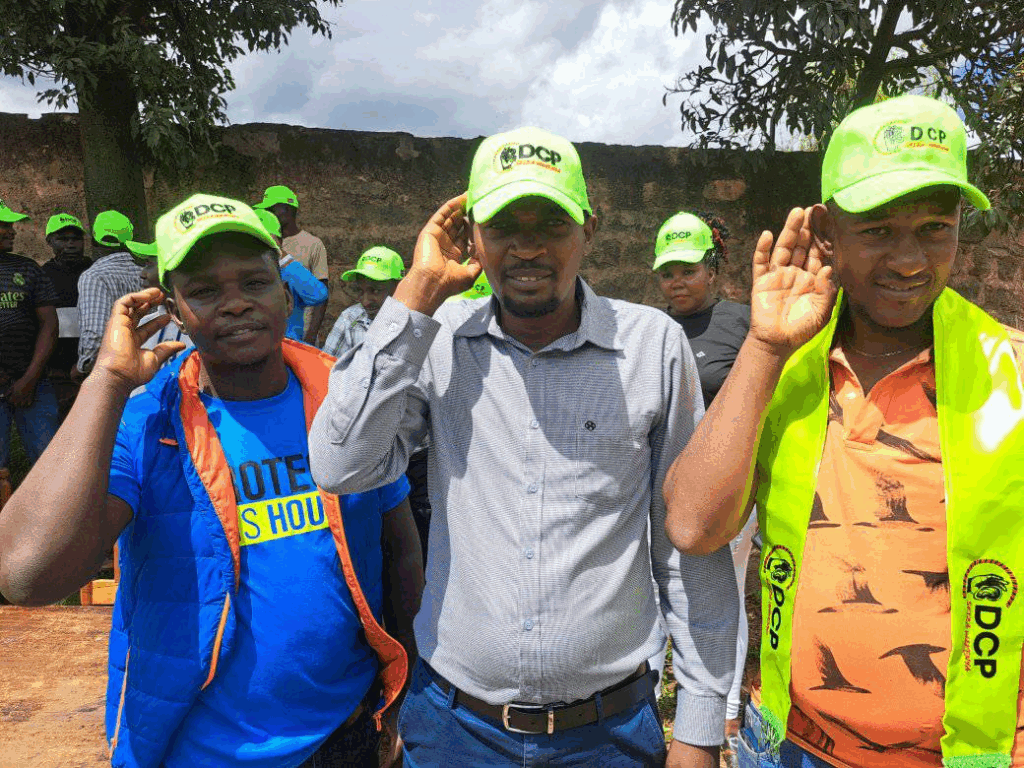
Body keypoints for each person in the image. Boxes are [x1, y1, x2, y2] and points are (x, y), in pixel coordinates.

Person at [308, 127, 737, 768]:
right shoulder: (438, 338)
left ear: (589, 232)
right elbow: (340, 465)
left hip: (609, 734)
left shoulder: (652, 348)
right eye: (505, 225)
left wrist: (700, 728)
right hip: (457, 729)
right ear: (472, 236)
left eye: (552, 225)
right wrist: (418, 293)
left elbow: (686, 549)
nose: (528, 247)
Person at [0, 194, 424, 768]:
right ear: (171, 307)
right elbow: (26, 575)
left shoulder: (343, 403)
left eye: (254, 282)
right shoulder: (148, 421)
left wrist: (407, 698)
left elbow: (400, 547)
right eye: (203, 291)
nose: (235, 305)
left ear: (285, 288)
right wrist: (109, 379)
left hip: (344, 734)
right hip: (200, 751)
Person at [664, 94, 1024, 768]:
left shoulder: (1012, 373)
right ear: (827, 232)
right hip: (795, 747)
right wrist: (766, 349)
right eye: (880, 229)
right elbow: (692, 525)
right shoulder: (784, 371)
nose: (911, 258)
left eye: (935, 228)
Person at [652, 210, 754, 766]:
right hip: (661, 490)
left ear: (712, 270)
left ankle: (726, 705)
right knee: (654, 592)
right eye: (668, 273)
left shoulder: (741, 322)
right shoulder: (651, 331)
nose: (677, 282)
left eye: (688, 270)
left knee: (721, 592)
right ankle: (655, 694)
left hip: (727, 494)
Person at [0, 199, 59, 470]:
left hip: (34, 384)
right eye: (3, 225)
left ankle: (53, 513)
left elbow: (49, 324)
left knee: (49, 463)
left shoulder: (28, 269)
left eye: (10, 225)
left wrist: (29, 378)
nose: (11, 231)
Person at [254, 185, 329, 345]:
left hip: (294, 336)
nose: (269, 213)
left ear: (287, 209)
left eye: (271, 208)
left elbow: (320, 295)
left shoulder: (312, 244)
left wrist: (310, 336)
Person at [74, 210, 141, 380]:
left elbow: (96, 333)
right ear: (130, 240)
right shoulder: (144, 274)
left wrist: (83, 367)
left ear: (95, 241)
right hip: (144, 366)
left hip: (111, 371)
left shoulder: (94, 276)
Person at [41, 213, 92, 420]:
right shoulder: (42, 276)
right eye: (63, 239)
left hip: (93, 366)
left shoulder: (94, 272)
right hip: (57, 373)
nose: (71, 244)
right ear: (49, 242)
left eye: (76, 239)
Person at [322, 247, 404, 358]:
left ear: (399, 286)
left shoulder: (415, 322)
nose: (365, 302)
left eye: (375, 290)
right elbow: (327, 366)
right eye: (360, 290)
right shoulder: (350, 319)